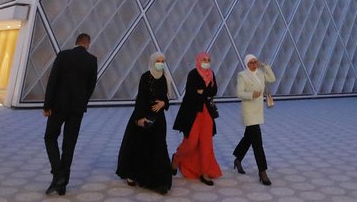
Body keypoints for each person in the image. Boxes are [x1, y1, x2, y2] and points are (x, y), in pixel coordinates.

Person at [43, 32, 98, 196]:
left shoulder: (63, 55)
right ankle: (62, 185)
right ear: (88, 44)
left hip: (59, 106)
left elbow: (53, 80)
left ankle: (58, 174)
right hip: (77, 109)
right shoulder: (92, 60)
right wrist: (82, 102)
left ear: (76, 42)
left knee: (50, 137)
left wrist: (47, 105)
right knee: (69, 144)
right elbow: (91, 86)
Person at [116, 52, 173, 195]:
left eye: (163, 61)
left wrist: (163, 103)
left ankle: (160, 182)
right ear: (152, 61)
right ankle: (133, 174)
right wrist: (139, 118)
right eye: (158, 61)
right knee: (139, 145)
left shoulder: (166, 78)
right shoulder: (146, 77)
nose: (161, 63)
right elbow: (141, 98)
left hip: (159, 119)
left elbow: (167, 99)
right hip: (145, 117)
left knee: (159, 147)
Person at [171, 52, 221, 186]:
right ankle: (176, 158)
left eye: (208, 59)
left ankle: (205, 173)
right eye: (204, 59)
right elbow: (192, 92)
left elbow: (214, 90)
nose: (206, 61)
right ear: (199, 60)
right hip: (193, 113)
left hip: (207, 114)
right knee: (191, 142)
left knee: (206, 143)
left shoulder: (211, 74)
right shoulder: (193, 74)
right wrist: (205, 93)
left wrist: (202, 92)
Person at [233, 54, 276, 186]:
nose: (253, 64)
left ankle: (238, 158)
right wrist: (251, 94)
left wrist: (264, 66)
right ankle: (262, 171)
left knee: (248, 138)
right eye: (251, 63)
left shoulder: (261, 73)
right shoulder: (242, 75)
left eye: (255, 62)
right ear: (246, 64)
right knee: (257, 142)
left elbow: (272, 78)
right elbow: (239, 93)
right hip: (249, 111)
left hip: (258, 111)